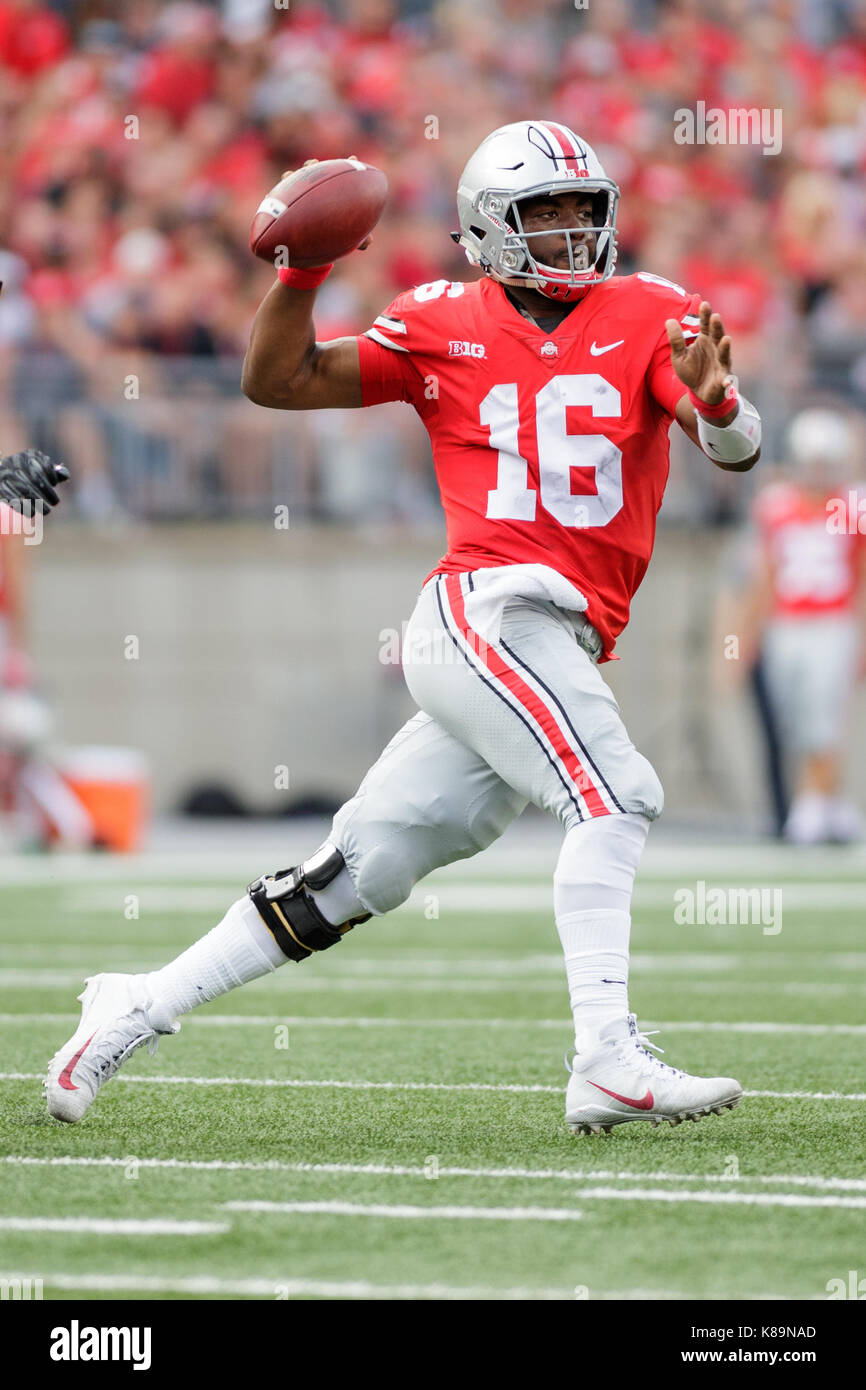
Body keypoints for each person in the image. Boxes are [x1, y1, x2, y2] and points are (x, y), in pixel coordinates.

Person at [45, 121, 760, 1134]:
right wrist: (303, 272)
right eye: (541, 212)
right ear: (487, 227)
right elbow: (276, 381)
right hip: (489, 610)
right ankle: (604, 1054)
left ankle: (133, 1004)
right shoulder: (436, 320)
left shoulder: (649, 310)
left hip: (541, 640)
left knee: (357, 875)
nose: (567, 230)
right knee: (616, 795)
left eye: (579, 209)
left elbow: (735, 448)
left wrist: (718, 401)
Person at [743, 409, 864, 844]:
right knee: (794, 719)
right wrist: (747, 636)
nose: (817, 471)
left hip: (832, 624)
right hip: (786, 626)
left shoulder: (853, 505)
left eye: (824, 461)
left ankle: (815, 806)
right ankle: (828, 805)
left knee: (825, 718)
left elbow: (861, 576)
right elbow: (765, 576)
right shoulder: (775, 506)